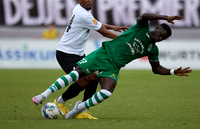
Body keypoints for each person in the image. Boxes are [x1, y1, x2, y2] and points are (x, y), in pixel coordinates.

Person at [32, 12, 192, 119]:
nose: (159, 38)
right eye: (160, 34)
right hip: (104, 54)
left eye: (162, 39)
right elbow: (144, 15)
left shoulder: (152, 49)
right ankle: (43, 95)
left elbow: (156, 69)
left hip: (114, 66)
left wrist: (172, 71)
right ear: (156, 28)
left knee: (107, 92)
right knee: (77, 74)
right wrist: (165, 17)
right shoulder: (142, 27)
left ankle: (78, 108)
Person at [32, 0, 128, 119]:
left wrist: (113, 27)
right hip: (66, 53)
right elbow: (103, 32)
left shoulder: (80, 10)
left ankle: (83, 110)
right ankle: (60, 102)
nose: (90, 0)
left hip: (77, 53)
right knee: (83, 82)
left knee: (93, 78)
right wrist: (125, 40)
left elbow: (95, 23)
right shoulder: (84, 14)